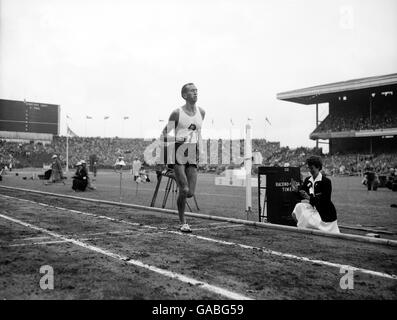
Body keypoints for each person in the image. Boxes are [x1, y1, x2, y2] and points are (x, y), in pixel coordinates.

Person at [160, 83, 205, 233]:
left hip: (192, 152)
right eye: (192, 91)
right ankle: (183, 222)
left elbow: (199, 133)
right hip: (179, 151)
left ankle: (175, 175)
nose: (195, 93)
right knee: (184, 189)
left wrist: (201, 150)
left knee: (190, 193)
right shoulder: (177, 113)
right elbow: (164, 134)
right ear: (184, 95)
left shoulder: (202, 113)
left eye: (196, 91)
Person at [291, 155, 340, 233]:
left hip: (325, 212)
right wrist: (296, 190)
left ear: (318, 167)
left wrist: (310, 198)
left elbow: (325, 201)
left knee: (307, 218)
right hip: (314, 208)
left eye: (312, 168)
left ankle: (307, 227)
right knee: (298, 207)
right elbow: (301, 194)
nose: (310, 170)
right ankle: (301, 228)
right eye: (309, 168)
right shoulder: (308, 180)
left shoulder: (326, 181)